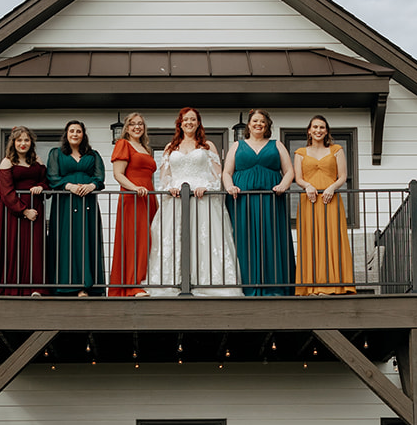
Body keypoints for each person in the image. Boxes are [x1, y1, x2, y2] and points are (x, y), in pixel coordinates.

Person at [145, 107, 241, 296]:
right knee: (174, 238)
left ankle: (206, 283)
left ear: (198, 123)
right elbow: (164, 176)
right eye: (185, 119)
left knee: (203, 238)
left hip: (201, 198)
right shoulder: (171, 147)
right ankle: (173, 281)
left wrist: (207, 187)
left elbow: (217, 175)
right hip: (176, 198)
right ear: (179, 123)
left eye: (193, 119)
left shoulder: (208, 146)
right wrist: (169, 188)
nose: (189, 122)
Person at [222, 108, 295, 295]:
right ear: (249, 125)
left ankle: (275, 286)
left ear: (267, 125)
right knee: (243, 241)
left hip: (271, 201)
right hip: (242, 202)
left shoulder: (276, 144)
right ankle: (246, 286)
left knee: (272, 240)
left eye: (262, 121)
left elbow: (289, 172)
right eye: (255, 121)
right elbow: (226, 172)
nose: (258, 124)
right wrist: (230, 187)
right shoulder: (237, 146)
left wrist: (283, 186)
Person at [294, 114, 355, 295]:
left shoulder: (336, 150)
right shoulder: (300, 153)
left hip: (331, 200)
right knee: (310, 240)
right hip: (309, 201)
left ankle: (332, 286)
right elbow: (298, 178)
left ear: (326, 131)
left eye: (322, 127)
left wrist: (332, 188)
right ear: (309, 131)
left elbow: (342, 176)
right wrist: (308, 186)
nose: (318, 130)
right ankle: (311, 287)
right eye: (315, 127)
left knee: (332, 239)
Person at [0, 127, 46, 296]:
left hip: (36, 210)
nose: (23, 144)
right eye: (19, 140)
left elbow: (47, 181)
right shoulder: (7, 162)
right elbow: (6, 192)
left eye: (26, 140)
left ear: (31, 142)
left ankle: (35, 288)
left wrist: (41, 187)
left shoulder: (37, 161)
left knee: (34, 249)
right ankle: (10, 288)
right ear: (13, 142)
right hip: (13, 213)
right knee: (12, 247)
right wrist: (25, 211)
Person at [45, 120, 106, 295]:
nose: (75, 134)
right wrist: (68, 186)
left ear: (83, 134)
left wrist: (92, 186)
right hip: (65, 204)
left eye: (78, 131)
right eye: (71, 131)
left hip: (87, 203)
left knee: (87, 240)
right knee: (66, 241)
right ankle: (66, 285)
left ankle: (86, 285)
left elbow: (99, 177)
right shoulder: (56, 153)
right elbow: (52, 177)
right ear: (66, 134)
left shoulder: (93, 155)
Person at [108, 113, 157, 296]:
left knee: (149, 239)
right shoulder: (123, 144)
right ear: (127, 128)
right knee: (135, 239)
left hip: (148, 197)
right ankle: (131, 284)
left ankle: (144, 281)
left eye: (140, 124)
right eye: (133, 124)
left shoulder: (145, 148)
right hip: (132, 197)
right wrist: (134, 188)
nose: (137, 127)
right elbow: (118, 174)